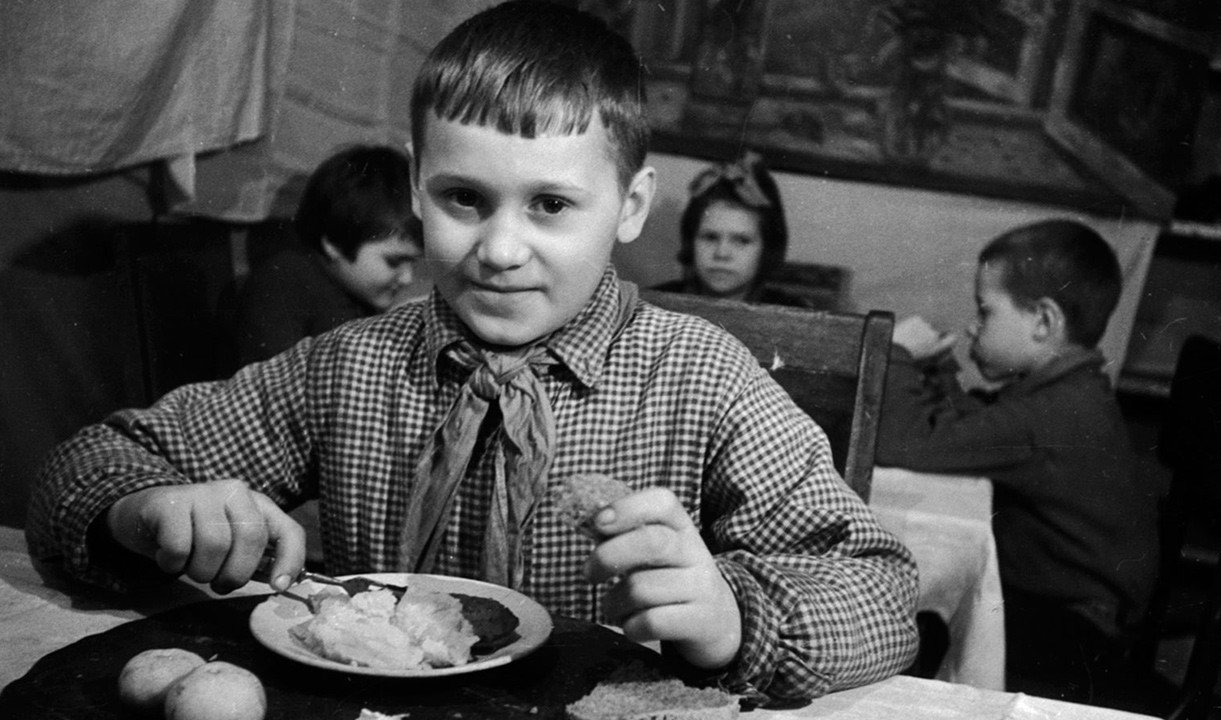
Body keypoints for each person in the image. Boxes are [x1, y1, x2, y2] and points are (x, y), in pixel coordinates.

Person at [28, 0, 918, 703]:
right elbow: (84, 467)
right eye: (463, 198)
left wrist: (734, 615)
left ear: (632, 207)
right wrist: (145, 510)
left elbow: (880, 595)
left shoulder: (703, 379)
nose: (499, 249)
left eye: (551, 206)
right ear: (418, 185)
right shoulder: (348, 366)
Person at [875, 219, 1159, 706]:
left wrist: (895, 353)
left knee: (903, 625)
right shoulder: (1067, 392)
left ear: (1044, 321)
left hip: (1072, 633)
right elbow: (971, 430)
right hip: (1068, 608)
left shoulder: (1054, 413)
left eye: (985, 311)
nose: (973, 326)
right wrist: (939, 371)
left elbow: (909, 445)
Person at [233, 144, 424, 365]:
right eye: (394, 261)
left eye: (413, 262)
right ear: (335, 243)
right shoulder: (285, 282)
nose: (408, 278)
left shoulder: (356, 294)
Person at [652, 150, 810, 307]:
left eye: (741, 240)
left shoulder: (794, 312)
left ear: (767, 248)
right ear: (691, 240)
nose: (721, 253)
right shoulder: (654, 303)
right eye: (710, 237)